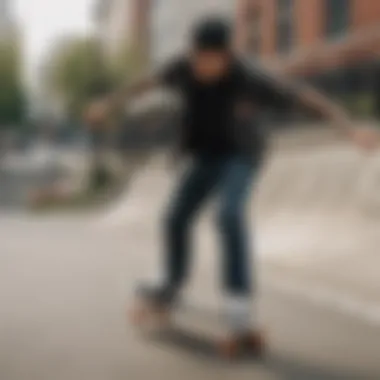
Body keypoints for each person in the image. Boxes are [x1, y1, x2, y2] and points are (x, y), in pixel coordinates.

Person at [86, 17, 379, 352]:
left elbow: (305, 98)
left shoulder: (250, 77)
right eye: (195, 59)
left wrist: (348, 128)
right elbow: (146, 84)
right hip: (200, 155)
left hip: (241, 156)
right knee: (175, 217)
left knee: (228, 215)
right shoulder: (181, 67)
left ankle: (239, 313)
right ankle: (169, 285)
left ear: (225, 57)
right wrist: (108, 102)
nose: (200, 68)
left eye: (207, 61)